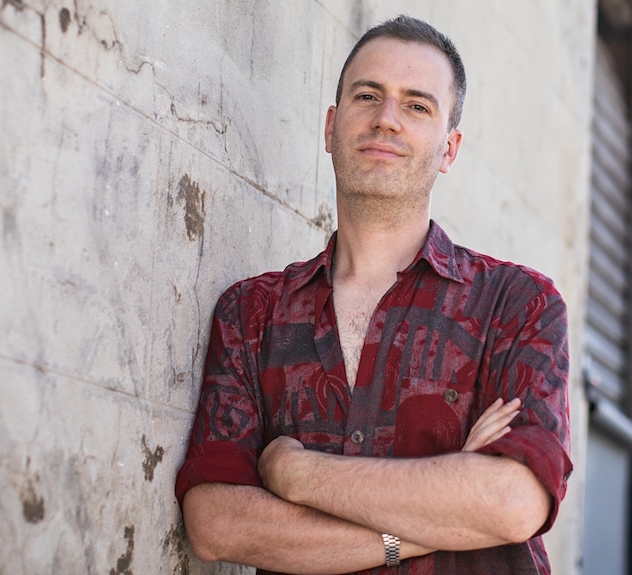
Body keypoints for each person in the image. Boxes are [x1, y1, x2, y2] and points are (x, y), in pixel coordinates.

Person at [175, 14, 572, 575]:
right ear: (331, 126)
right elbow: (217, 523)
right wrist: (448, 513)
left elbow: (512, 503)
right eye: (368, 95)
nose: (386, 120)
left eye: (417, 105)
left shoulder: (517, 304)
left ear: (449, 148)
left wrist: (296, 475)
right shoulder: (251, 314)